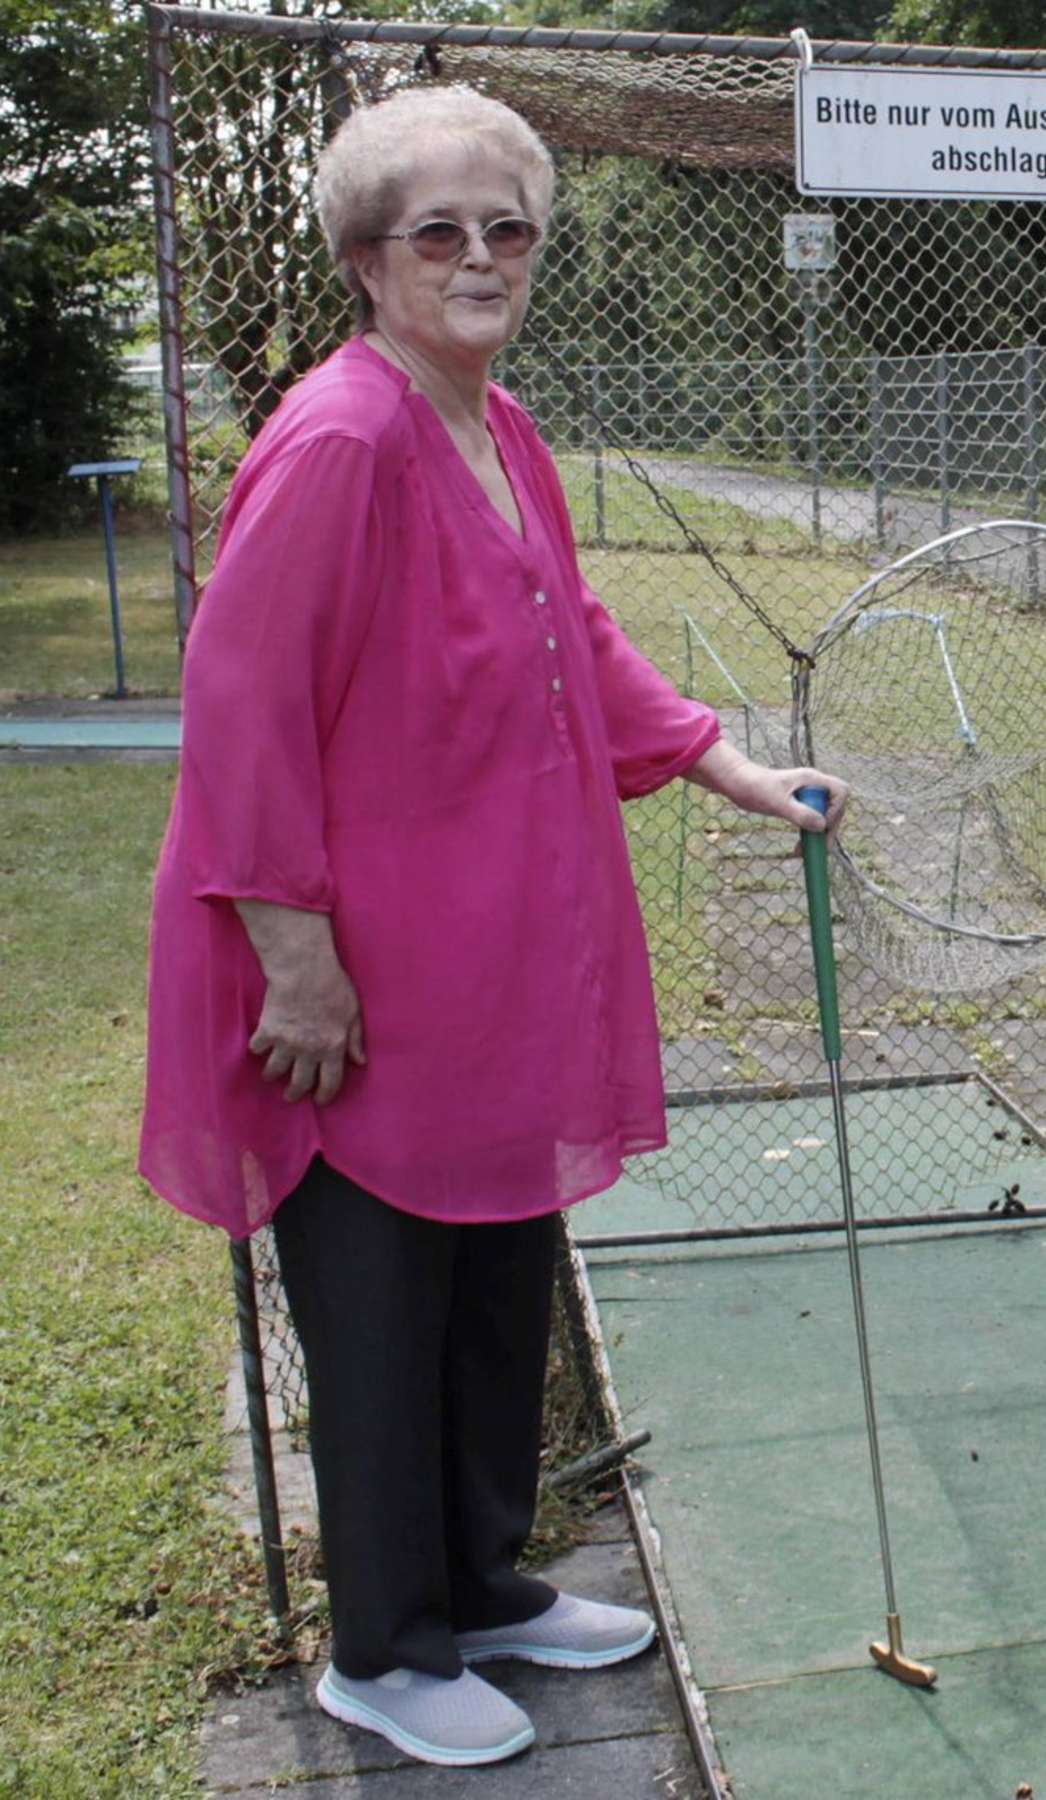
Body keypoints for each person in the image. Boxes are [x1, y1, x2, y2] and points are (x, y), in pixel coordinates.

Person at [140, 88, 848, 1767]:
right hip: (364, 987)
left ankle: (481, 1584)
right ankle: (381, 1649)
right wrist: (297, 963)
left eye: (507, 227)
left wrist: (730, 765)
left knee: (490, 1278)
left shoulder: (491, 420)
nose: (478, 257)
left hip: (497, 970)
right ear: (367, 262)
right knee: (381, 1309)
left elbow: (576, 633)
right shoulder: (338, 440)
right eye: (436, 231)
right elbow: (239, 717)